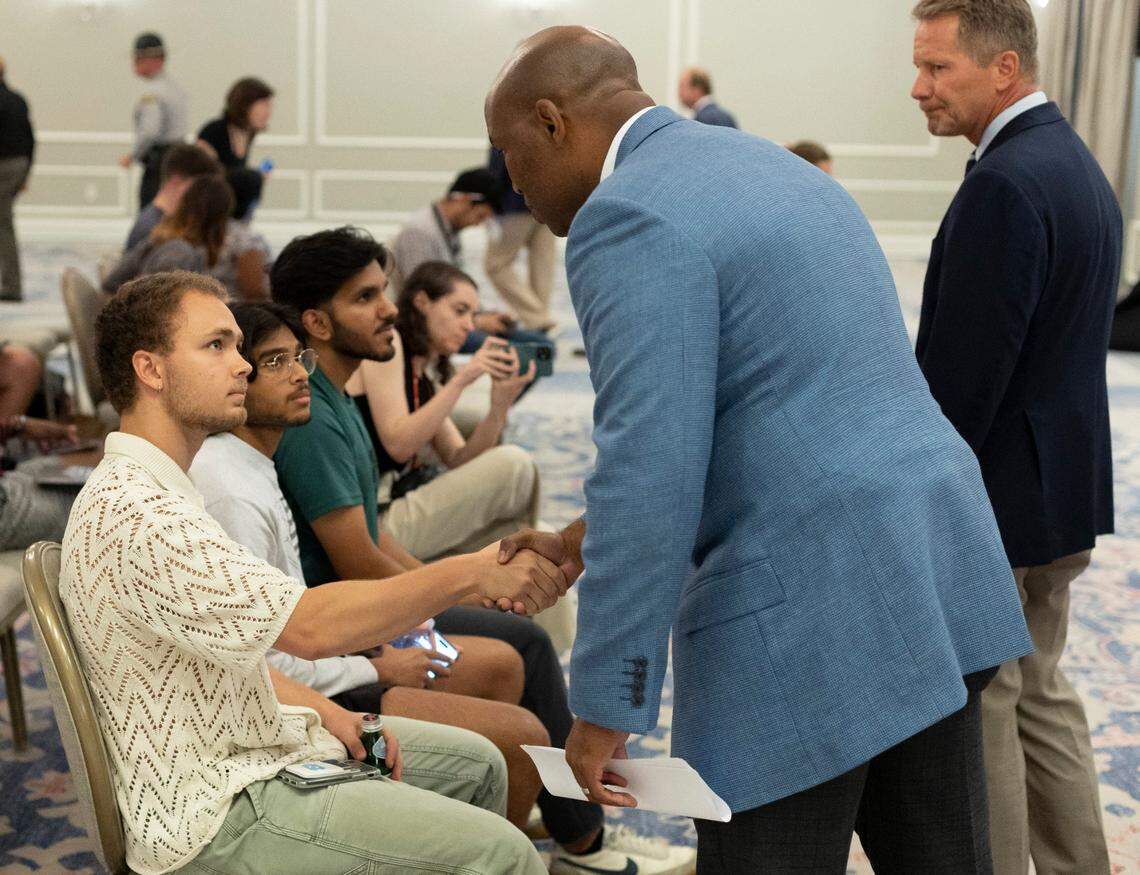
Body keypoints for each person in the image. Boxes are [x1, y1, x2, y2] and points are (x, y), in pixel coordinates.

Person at [486, 26, 1033, 874]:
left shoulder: (624, 216)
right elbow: (772, 404)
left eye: (507, 150)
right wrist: (575, 543)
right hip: (931, 566)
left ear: (554, 122)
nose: (509, 179)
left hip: (806, 614)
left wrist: (603, 707)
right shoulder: (776, 166)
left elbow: (650, 467)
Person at [62, 269, 558, 874]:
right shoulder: (142, 513)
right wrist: (470, 573)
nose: (242, 365)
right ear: (152, 370)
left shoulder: (162, 485)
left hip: (254, 747)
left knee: (483, 766)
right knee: (503, 854)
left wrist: (328, 712)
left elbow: (230, 656)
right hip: (216, 811)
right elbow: (308, 628)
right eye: (216, 346)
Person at [271, 228, 693, 875]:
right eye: (367, 297)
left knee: (518, 635)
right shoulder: (314, 419)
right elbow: (356, 557)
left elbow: (378, 537)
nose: (390, 308)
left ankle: (553, 817)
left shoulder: (338, 401)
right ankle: (582, 840)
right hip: (353, 634)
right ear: (315, 321)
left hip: (370, 612)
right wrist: (457, 590)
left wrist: (455, 588)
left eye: (384, 291)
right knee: (520, 644)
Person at [190, 300, 552, 829]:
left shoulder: (261, 459)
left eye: (297, 359)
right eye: (273, 363)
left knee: (503, 664)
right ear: (237, 375)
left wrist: (388, 638)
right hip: (310, 702)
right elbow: (266, 657)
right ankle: (494, 834)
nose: (297, 376)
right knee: (523, 739)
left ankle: (459, 827)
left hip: (329, 660)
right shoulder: (233, 491)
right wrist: (379, 665)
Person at [909, 1, 1120, 872]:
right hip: (1059, 491)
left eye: (936, 69)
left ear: (1003, 69)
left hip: (998, 503)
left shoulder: (1004, 182)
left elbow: (964, 381)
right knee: (1040, 692)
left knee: (989, 705)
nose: (917, 89)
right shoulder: (1072, 161)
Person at [348, 261, 539, 560]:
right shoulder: (390, 345)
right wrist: (462, 380)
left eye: (473, 316)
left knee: (532, 548)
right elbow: (398, 444)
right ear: (422, 303)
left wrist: (499, 408)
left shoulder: (424, 374)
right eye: (459, 310)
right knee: (515, 463)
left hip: (399, 508)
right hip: (376, 524)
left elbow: (459, 459)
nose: (469, 325)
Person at [390, 168, 554, 357]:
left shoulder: (448, 230)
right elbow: (423, 304)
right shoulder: (419, 234)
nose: (477, 224)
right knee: (531, 354)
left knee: (543, 345)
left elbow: (451, 292)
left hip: (455, 320)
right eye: (480, 216)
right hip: (430, 329)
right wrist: (476, 321)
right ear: (464, 201)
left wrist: (485, 315)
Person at [103, 174, 233, 293]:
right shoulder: (181, 252)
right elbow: (156, 306)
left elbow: (112, 281)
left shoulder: (160, 239)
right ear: (218, 219)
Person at [484, 147, 558, 332]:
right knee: (542, 263)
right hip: (550, 199)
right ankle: (540, 322)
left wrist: (492, 203)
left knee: (496, 264)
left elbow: (498, 168)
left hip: (514, 204)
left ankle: (538, 318)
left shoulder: (506, 120)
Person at [119, 33, 189, 210]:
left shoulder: (153, 93)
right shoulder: (174, 87)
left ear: (153, 60)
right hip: (178, 160)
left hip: (160, 163)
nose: (134, 63)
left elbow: (150, 131)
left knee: (152, 214)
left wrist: (133, 155)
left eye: (139, 58)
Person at [124, 143, 222, 251]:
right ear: (177, 182)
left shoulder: (161, 224)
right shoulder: (152, 230)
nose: (203, 196)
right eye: (200, 188)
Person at [0, 57, 34, 302]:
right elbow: (31, 139)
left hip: (4, 167)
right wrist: (26, 174)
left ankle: (12, 286)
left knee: (4, 225)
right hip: (18, 166)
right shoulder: (18, 100)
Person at [196, 77, 274, 170]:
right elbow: (206, 174)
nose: (268, 113)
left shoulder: (248, 133)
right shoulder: (213, 131)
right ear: (245, 105)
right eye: (264, 105)